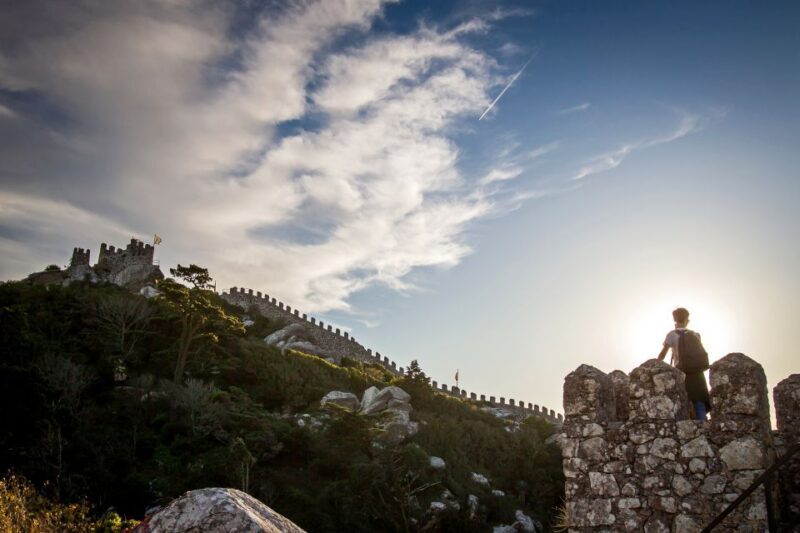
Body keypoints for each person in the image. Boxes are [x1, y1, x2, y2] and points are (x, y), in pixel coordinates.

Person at [657, 307, 710, 420]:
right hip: (697, 371)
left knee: (682, 399)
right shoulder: (696, 335)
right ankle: (703, 424)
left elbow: (662, 354)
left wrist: (655, 365)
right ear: (687, 320)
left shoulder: (671, 335)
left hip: (681, 372)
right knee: (699, 400)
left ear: (675, 320)